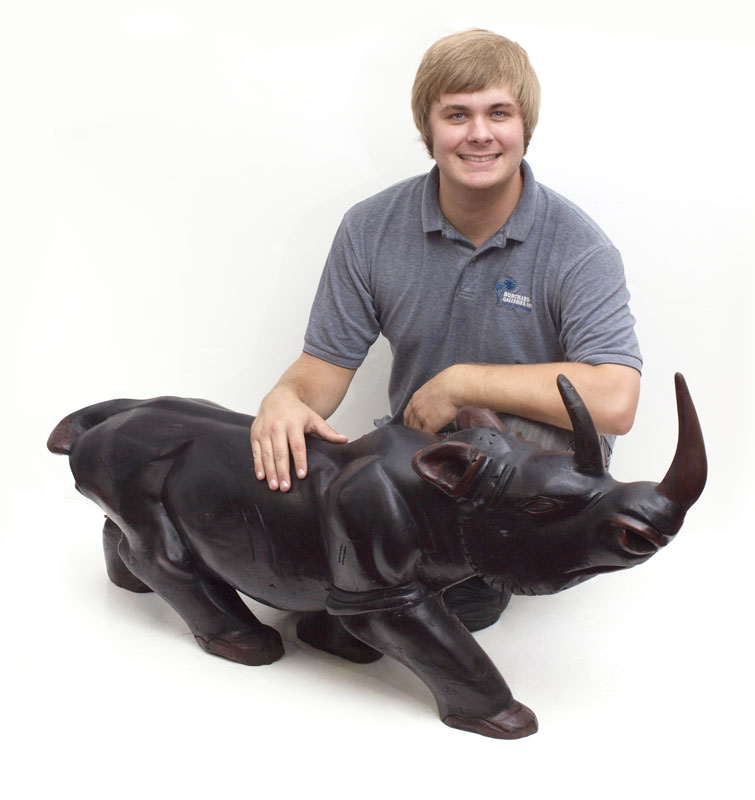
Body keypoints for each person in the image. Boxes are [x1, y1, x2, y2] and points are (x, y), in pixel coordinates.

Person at [249, 29, 642, 636]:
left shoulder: (579, 248)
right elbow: (322, 368)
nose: (479, 133)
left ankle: (433, 583)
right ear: (427, 129)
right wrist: (286, 398)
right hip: (426, 457)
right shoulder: (369, 229)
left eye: (498, 113)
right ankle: (383, 585)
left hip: (539, 475)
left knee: (442, 591)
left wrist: (461, 384)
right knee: (295, 509)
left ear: (525, 126)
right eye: (457, 115)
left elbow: (615, 400)